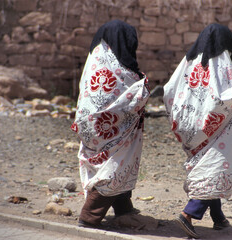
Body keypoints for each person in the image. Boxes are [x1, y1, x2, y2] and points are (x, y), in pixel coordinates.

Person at [163, 23, 232, 239]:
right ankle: (188, 214)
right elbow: (226, 98)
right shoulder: (222, 65)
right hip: (216, 129)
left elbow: (169, 90)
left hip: (190, 130)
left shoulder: (188, 63)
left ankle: (219, 218)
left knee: (209, 168)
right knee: (215, 167)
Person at [71, 19, 150, 229]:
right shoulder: (122, 71)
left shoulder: (95, 60)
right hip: (113, 129)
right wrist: (144, 87)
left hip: (88, 126)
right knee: (116, 163)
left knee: (110, 162)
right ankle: (89, 216)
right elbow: (132, 97)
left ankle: (123, 206)